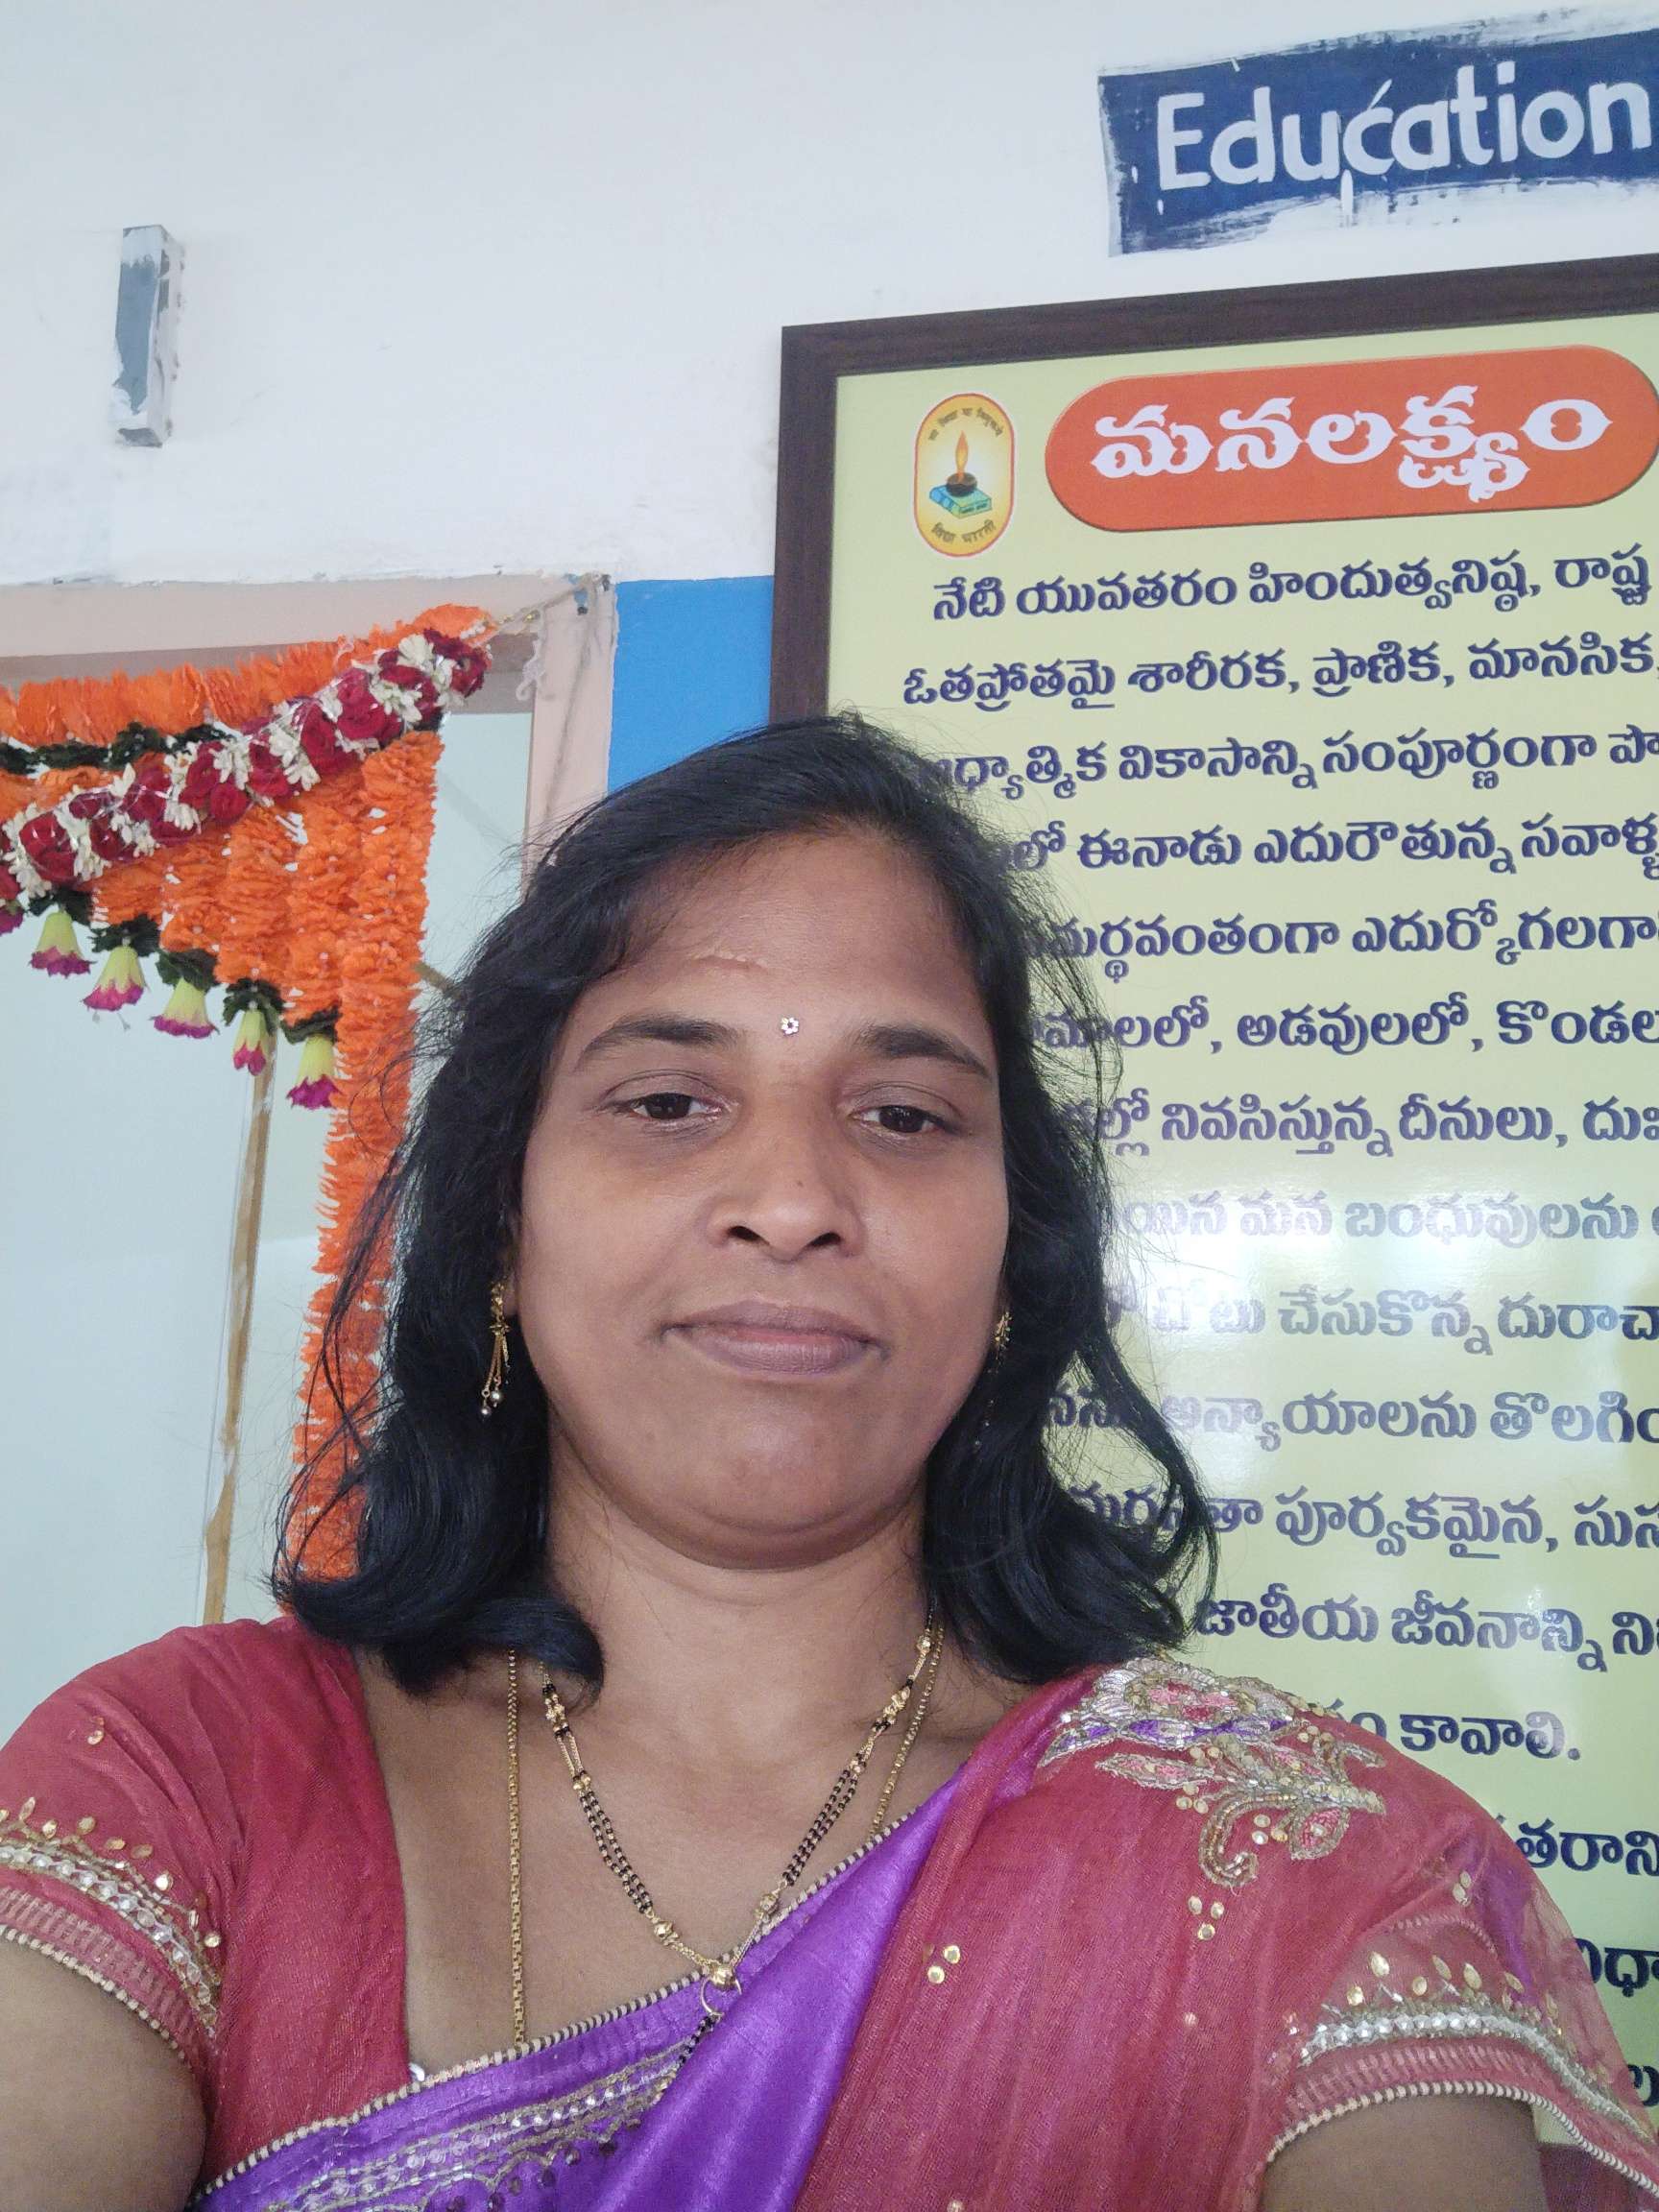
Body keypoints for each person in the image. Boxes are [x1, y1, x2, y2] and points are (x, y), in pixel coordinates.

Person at [0, 715, 1654, 2212]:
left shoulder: (1306, 1873)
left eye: (905, 1117)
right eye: (668, 1102)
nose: (791, 1202)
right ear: (501, 1226)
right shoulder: (183, 1780)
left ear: (1010, 1263)